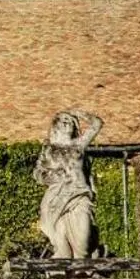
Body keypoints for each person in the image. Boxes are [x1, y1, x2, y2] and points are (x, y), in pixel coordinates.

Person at [34, 111, 102, 259]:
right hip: (57, 198)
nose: (68, 123)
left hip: (79, 194)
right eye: (64, 120)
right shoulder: (49, 149)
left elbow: (97, 124)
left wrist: (78, 112)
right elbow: (38, 174)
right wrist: (55, 176)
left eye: (71, 121)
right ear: (56, 125)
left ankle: (82, 273)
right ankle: (65, 272)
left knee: (83, 241)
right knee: (62, 246)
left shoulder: (79, 145)